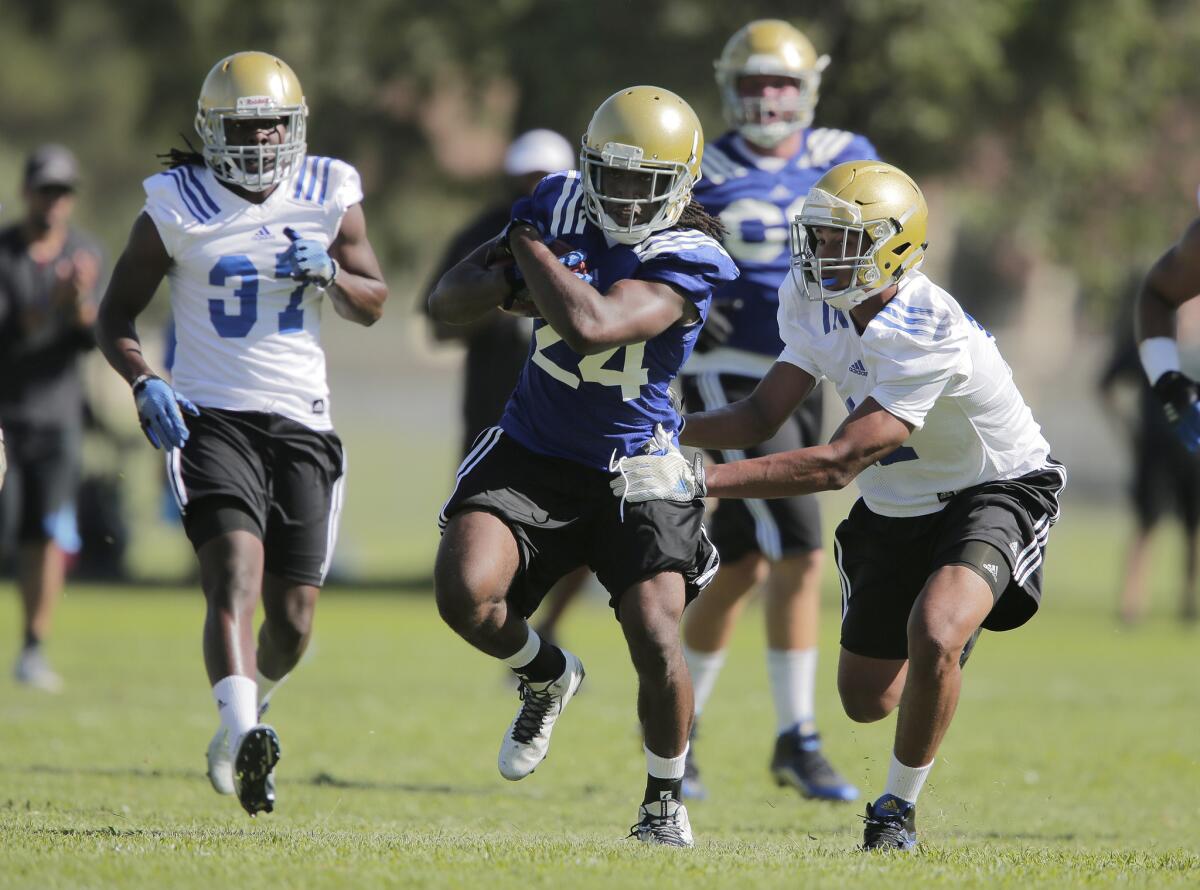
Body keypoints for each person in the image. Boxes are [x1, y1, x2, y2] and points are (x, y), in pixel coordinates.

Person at [611, 160, 1066, 851]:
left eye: (841, 240)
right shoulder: (811, 296)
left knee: (937, 631)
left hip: (994, 484)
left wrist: (694, 480)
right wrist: (664, 428)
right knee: (866, 700)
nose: (822, 253)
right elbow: (764, 412)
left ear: (896, 246)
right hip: (895, 506)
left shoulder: (923, 325)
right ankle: (943, 627)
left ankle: (895, 814)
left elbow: (837, 463)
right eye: (819, 236)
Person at [428, 85, 738, 846]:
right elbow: (446, 303)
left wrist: (527, 245)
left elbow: (594, 324)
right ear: (591, 167)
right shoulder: (558, 203)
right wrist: (513, 258)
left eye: (647, 181)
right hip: (534, 447)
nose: (628, 198)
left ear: (682, 181)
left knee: (655, 630)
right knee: (465, 595)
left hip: (636, 467)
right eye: (615, 177)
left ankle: (664, 801)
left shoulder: (691, 253)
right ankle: (546, 673)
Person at [96, 51, 388, 817]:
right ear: (211, 130)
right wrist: (144, 378)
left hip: (304, 421)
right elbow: (113, 314)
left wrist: (330, 271)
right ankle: (244, 723)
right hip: (209, 414)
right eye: (244, 126)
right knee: (233, 573)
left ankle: (236, 730)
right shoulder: (177, 202)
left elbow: (375, 300)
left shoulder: (329, 191)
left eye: (272, 126)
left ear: (295, 128)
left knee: (293, 622)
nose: (260, 142)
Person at [678, 18, 877, 801]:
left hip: (809, 368)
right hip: (728, 376)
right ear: (730, 85)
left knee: (747, 560)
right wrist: (687, 305)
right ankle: (796, 737)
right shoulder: (707, 164)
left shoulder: (843, 157)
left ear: (808, 90)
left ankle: (679, 716)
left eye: (782, 83)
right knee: (794, 544)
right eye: (756, 82)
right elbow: (651, 245)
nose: (768, 97)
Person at [422, 128, 589, 642]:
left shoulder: (594, 232)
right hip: (495, 409)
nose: (535, 188)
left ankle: (551, 628)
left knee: (583, 532)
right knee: (485, 532)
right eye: (525, 179)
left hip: (572, 408)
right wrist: (502, 295)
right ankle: (521, 639)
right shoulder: (491, 233)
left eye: (545, 178)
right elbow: (439, 319)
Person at [0, 144, 102, 693]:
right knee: (5, 527)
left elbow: (93, 335)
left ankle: (33, 646)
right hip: (4, 419)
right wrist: (52, 304)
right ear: (26, 192)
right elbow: (11, 335)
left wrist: (80, 303)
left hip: (57, 418)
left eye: (63, 193)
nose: (54, 203)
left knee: (45, 534)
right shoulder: (5, 254)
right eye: (46, 191)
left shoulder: (87, 252)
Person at [1099, 279, 1200, 625]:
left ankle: (1190, 604)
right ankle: (1131, 605)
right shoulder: (1150, 342)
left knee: (1194, 529)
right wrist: (1128, 429)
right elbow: (1107, 385)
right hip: (1156, 449)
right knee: (1146, 525)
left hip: (1195, 451)